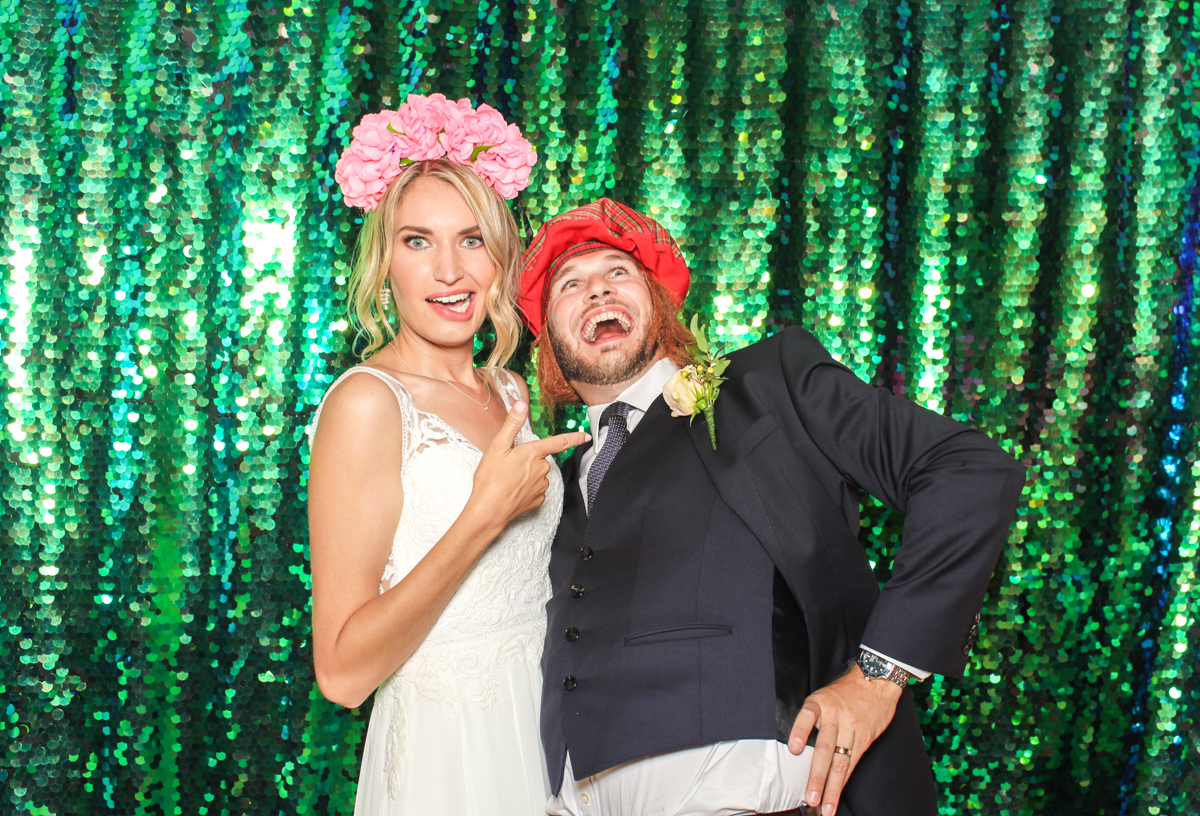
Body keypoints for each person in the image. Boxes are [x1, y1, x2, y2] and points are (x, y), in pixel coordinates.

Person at [517, 198, 1026, 816]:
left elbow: (969, 470)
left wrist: (879, 676)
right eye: (570, 285)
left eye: (618, 273)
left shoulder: (767, 382)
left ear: (659, 303)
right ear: (547, 340)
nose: (597, 291)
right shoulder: (550, 482)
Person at [306, 95, 588, 815]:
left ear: (500, 256)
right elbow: (341, 674)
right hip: (451, 748)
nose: (449, 271)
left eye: (470, 239)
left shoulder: (508, 388)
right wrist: (482, 516)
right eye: (417, 241)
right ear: (384, 263)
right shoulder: (366, 404)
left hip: (548, 729)